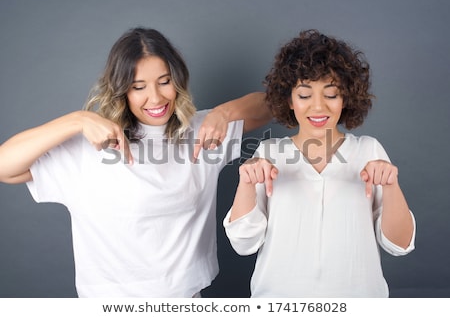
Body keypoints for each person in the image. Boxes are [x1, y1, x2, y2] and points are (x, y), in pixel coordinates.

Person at [0, 27, 272, 297]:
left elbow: (269, 105)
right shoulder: (88, 147)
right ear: (121, 90)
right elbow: (5, 166)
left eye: (164, 81)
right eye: (138, 87)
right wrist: (77, 120)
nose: (155, 98)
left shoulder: (202, 133)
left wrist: (224, 113)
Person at [223, 29, 416, 297]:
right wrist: (245, 184)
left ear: (346, 97)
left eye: (331, 94)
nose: (318, 107)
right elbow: (244, 243)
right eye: (304, 95)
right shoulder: (269, 153)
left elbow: (400, 244)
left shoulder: (368, 150)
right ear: (289, 100)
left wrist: (392, 186)